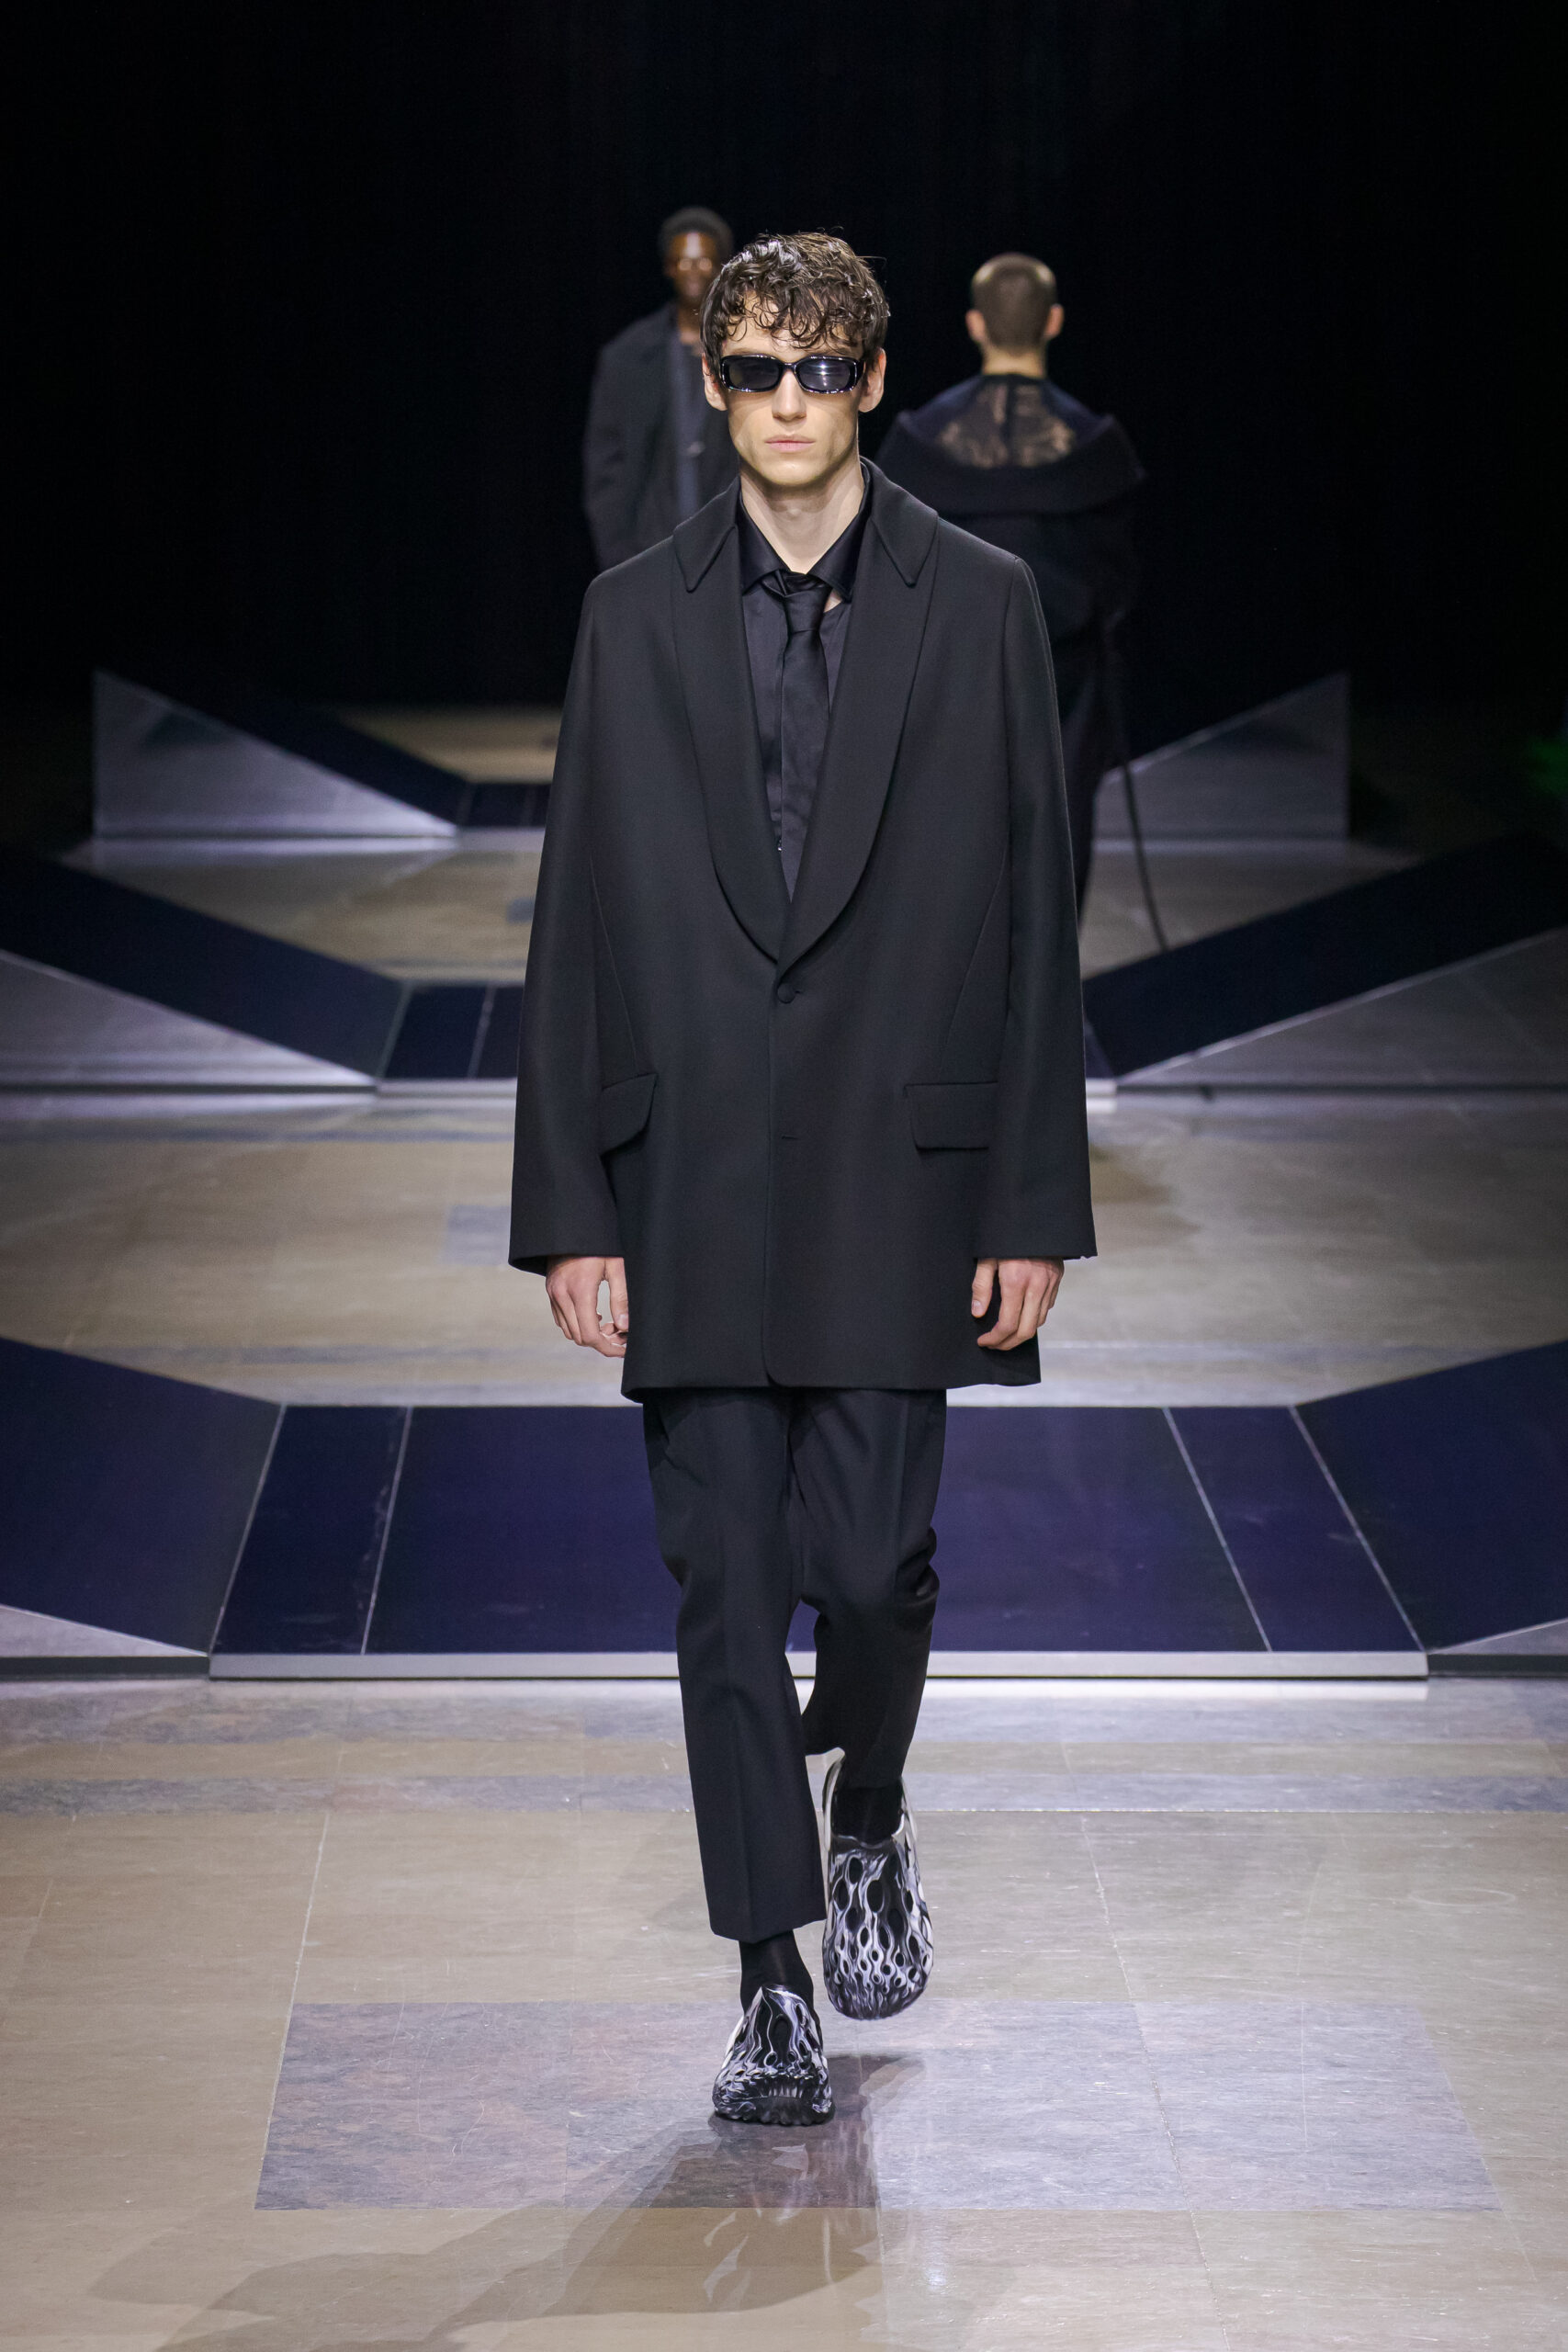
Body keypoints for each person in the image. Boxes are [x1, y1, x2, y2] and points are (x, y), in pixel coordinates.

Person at [513, 231, 1094, 2127]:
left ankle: (876, 1810)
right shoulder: (630, 615)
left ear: (872, 381)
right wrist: (571, 1207)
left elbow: (1033, 909)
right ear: (711, 381)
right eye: (755, 370)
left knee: (868, 1567)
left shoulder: (980, 602)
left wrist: (1030, 1199)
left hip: (897, 1174)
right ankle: (770, 1975)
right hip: (686, 1174)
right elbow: (578, 916)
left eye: (819, 372)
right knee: (725, 1587)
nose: (785, 403)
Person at [877, 252, 1143, 910]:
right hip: (1064, 676)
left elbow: (890, 565)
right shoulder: (1094, 449)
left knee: (948, 834)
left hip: (948, 670)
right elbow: (1118, 579)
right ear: (1053, 322)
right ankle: (1047, 974)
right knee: (1058, 828)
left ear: (975, 325)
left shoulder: (919, 444)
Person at [581, 207, 740, 571]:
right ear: (669, 267)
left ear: (720, 268)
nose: (693, 271)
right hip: (648, 549)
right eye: (683, 261)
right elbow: (605, 463)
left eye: (704, 261)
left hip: (734, 551)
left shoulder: (748, 353)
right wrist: (620, 559)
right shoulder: (627, 356)